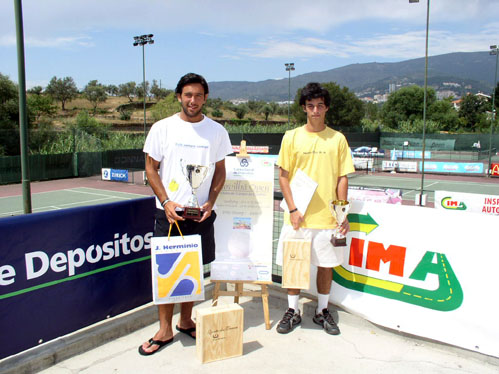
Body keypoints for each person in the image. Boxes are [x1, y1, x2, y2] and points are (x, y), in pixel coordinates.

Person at [139, 73, 233, 355]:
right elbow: (151, 168)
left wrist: (211, 202)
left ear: (205, 98)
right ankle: (164, 330)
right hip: (168, 215)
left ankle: (185, 320)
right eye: (188, 95)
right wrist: (166, 201)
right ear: (179, 96)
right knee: (167, 275)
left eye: (199, 95)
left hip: (199, 215)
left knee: (191, 273)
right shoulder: (161, 128)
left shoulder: (217, 131)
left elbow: (220, 171)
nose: (193, 100)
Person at [275, 82, 355, 335]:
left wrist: (341, 213)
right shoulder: (292, 137)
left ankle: (322, 310)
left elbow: (343, 177)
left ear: (326, 108)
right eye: (311, 106)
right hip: (298, 218)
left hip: (327, 220)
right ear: (304, 108)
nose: (315, 110)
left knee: (325, 266)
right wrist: (292, 209)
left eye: (320, 105)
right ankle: (293, 310)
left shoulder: (338, 138)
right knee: (294, 265)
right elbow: (284, 176)